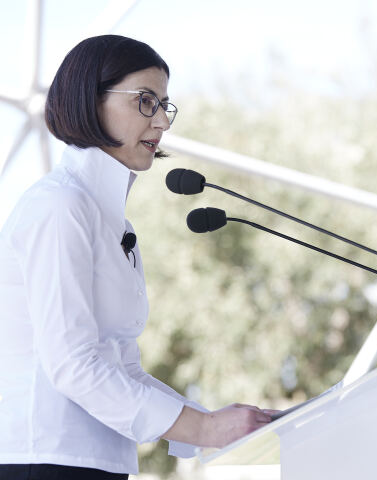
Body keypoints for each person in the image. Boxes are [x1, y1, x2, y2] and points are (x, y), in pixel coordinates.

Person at [0, 35, 275, 480]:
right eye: (145, 101)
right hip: (44, 459)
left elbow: (122, 365)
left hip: (96, 463)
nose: (162, 121)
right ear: (90, 99)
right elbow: (71, 365)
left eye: (164, 105)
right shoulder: (60, 205)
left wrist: (215, 425)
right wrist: (204, 428)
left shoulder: (111, 219)